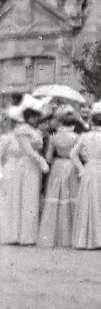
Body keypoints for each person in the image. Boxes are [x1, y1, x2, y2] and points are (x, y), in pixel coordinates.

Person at [71, 97, 101, 250]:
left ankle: (86, 239)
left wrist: (81, 169)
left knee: (89, 201)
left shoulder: (84, 136)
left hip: (89, 169)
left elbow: (73, 154)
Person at [2, 95, 51, 245]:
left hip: (32, 167)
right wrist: (42, 161)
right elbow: (28, 150)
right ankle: (21, 235)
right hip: (25, 165)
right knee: (25, 198)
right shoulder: (22, 130)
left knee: (31, 198)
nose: (37, 119)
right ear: (28, 116)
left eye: (37, 116)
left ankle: (28, 235)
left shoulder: (34, 130)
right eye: (34, 116)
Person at [38, 105, 80, 247]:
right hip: (71, 165)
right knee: (71, 196)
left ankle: (55, 234)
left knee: (57, 197)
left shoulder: (54, 137)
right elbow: (79, 155)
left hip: (57, 166)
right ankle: (71, 233)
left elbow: (49, 158)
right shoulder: (76, 137)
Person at [0, 106, 24, 244]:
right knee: (7, 199)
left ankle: (17, 234)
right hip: (9, 168)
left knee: (17, 199)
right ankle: (7, 233)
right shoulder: (6, 138)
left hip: (21, 169)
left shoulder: (21, 137)